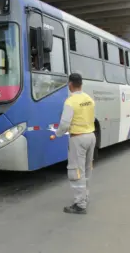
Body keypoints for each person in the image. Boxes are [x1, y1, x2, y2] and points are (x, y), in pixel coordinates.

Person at [54, 73, 96, 214]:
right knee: (86, 169)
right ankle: (85, 197)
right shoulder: (89, 99)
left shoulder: (70, 101)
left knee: (76, 171)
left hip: (78, 138)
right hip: (91, 136)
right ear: (81, 84)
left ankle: (80, 205)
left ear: (70, 84)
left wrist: (57, 134)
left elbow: (65, 123)